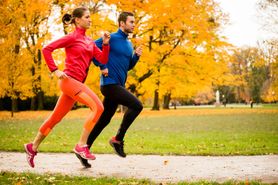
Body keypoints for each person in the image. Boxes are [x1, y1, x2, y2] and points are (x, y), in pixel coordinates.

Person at [24, 6, 111, 168]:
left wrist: (106, 44)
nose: (90, 19)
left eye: (90, 17)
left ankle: (32, 146)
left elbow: (103, 59)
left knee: (55, 118)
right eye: (86, 17)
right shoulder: (71, 38)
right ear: (77, 20)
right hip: (68, 81)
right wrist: (55, 70)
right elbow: (46, 49)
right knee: (98, 107)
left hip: (76, 85)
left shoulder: (90, 42)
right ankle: (81, 145)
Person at [75, 11, 143, 168]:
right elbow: (91, 50)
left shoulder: (128, 44)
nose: (134, 24)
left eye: (134, 22)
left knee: (103, 120)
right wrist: (102, 66)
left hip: (118, 85)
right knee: (137, 105)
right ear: (122, 23)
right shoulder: (111, 38)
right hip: (109, 84)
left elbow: (128, 67)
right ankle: (118, 139)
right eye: (131, 22)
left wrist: (136, 57)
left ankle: (83, 148)